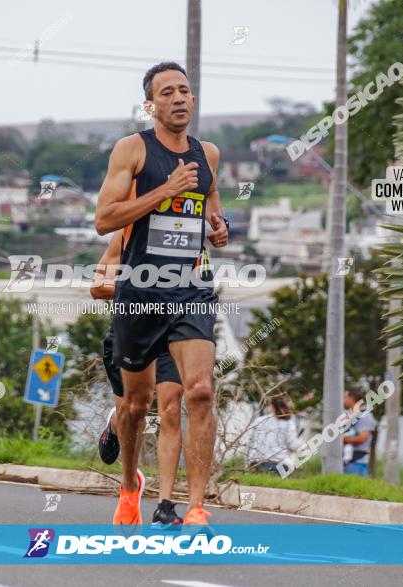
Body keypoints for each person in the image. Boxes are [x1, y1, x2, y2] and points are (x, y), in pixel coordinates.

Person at [94, 61, 227, 527]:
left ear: (193, 99)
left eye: (184, 91)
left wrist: (219, 228)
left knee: (201, 392)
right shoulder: (132, 149)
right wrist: (164, 190)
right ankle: (130, 486)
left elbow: (211, 208)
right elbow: (105, 219)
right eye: (167, 92)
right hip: (141, 289)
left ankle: (195, 506)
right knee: (134, 405)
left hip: (191, 287)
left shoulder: (208, 154)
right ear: (151, 103)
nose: (178, 98)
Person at [90, 231, 184, 529]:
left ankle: (165, 507)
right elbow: (99, 287)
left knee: (170, 409)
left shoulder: (190, 233)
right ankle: (129, 482)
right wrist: (144, 288)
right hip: (129, 331)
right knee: (135, 409)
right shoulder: (128, 233)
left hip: (173, 334)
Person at [247, 396, 302, 475]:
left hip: (256, 464)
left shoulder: (259, 420)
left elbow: (250, 441)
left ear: (272, 407)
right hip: (278, 466)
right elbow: (294, 445)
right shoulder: (288, 423)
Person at [342, 389, 376, 477]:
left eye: (345, 397)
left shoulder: (365, 416)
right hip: (348, 461)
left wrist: (342, 440)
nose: (344, 400)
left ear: (352, 398)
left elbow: (362, 438)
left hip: (356, 462)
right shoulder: (352, 416)